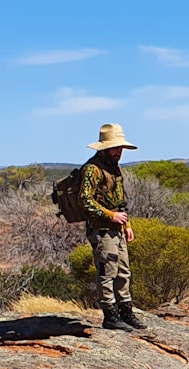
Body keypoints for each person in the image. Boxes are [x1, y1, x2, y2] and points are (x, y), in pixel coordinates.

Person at [80, 123, 143, 331]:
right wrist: (111, 216)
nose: (119, 152)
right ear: (104, 147)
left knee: (123, 271)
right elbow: (85, 200)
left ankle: (126, 313)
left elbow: (120, 201)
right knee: (107, 272)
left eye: (121, 148)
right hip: (102, 229)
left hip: (117, 228)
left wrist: (127, 224)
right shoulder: (92, 169)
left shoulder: (114, 168)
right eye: (116, 148)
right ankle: (110, 316)